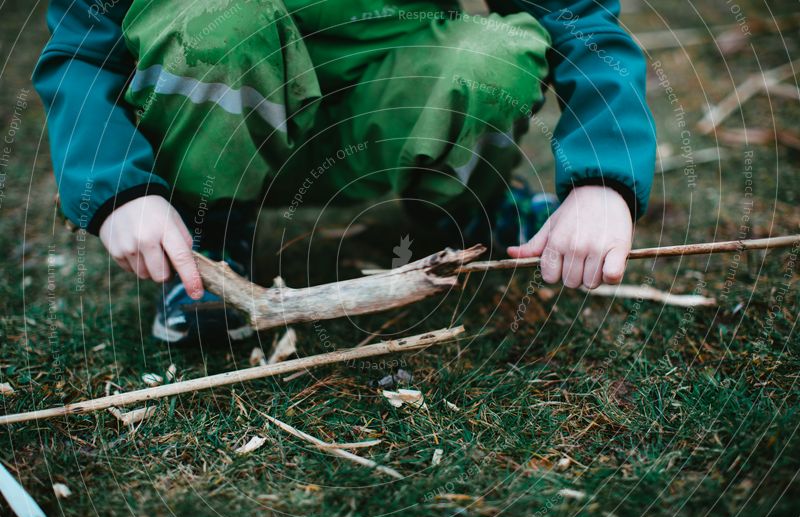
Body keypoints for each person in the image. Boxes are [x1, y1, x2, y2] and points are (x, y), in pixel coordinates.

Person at [33, 0, 656, 343]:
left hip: (384, 118)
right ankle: (208, 233)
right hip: (223, 124)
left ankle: (463, 209)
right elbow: (83, 48)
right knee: (213, 27)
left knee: (491, 59)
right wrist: (120, 191)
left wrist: (604, 179)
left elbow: (579, 19)